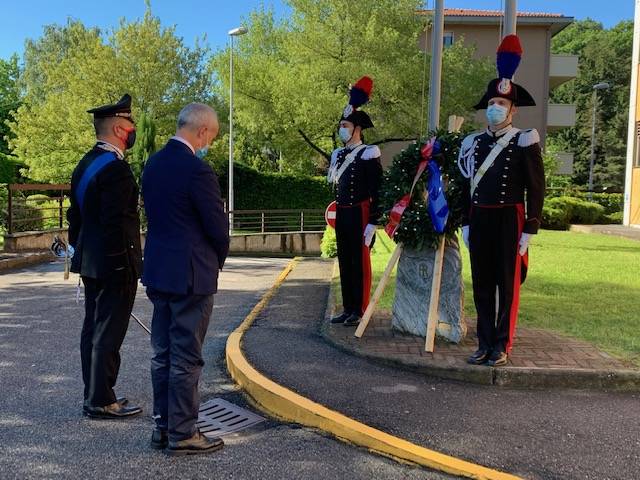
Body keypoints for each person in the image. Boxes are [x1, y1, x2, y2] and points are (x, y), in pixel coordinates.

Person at [142, 103, 229, 456]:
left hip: (160, 271)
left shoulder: (153, 165)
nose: (210, 143)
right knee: (186, 356)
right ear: (203, 131)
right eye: (213, 136)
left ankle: (162, 427)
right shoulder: (197, 170)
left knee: (162, 353)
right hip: (191, 275)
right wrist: (216, 262)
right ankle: (183, 433)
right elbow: (217, 228)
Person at [458, 35, 545, 367]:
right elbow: (467, 185)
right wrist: (466, 221)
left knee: (506, 285)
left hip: (510, 218)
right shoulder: (474, 143)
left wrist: (530, 229)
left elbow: (536, 187)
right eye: (492, 104)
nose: (495, 109)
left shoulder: (524, 140)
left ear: (513, 109)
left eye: (502, 105)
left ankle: (501, 344)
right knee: (481, 282)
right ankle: (483, 343)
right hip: (480, 217)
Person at [67, 94, 143, 419]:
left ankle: (95, 394)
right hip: (115, 264)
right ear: (116, 127)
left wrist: (79, 255)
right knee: (108, 333)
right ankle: (100, 400)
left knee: (93, 329)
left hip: (91, 261)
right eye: (129, 123)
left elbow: (75, 218)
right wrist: (124, 265)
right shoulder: (116, 170)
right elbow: (116, 224)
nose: (134, 128)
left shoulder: (85, 163)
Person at [328, 76, 383, 327]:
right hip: (343, 212)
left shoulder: (368, 153)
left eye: (346, 126)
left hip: (361, 213)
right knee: (345, 260)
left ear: (358, 129)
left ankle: (359, 309)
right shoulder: (338, 155)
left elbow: (377, 189)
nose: (343, 129)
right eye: (341, 125)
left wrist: (373, 221)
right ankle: (348, 306)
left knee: (359, 262)